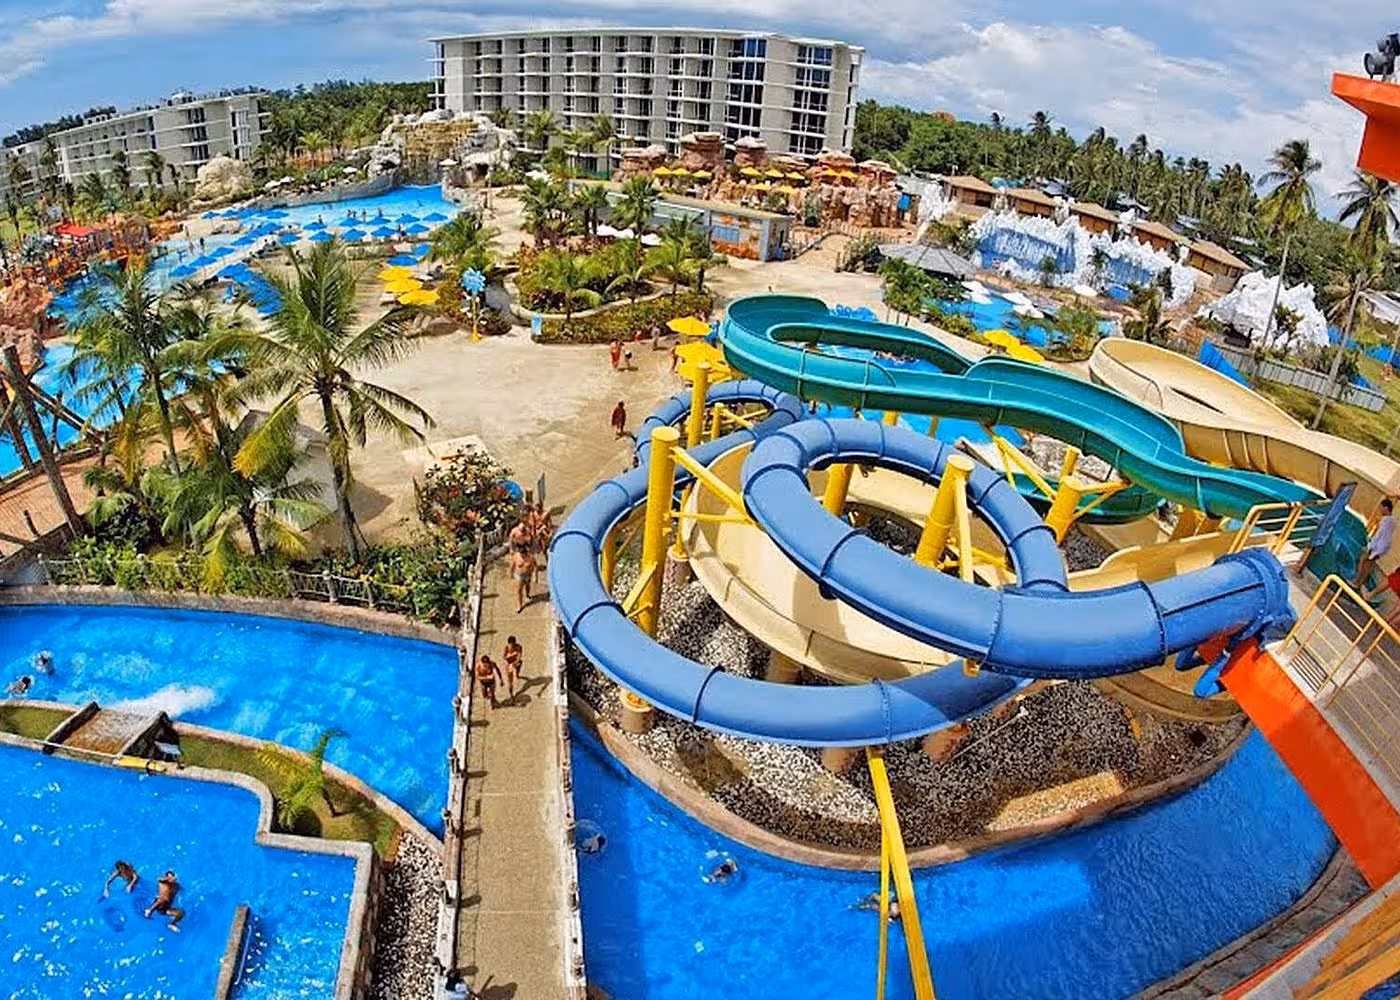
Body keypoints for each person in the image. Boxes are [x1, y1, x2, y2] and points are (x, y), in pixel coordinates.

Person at [1355, 498, 1396, 588]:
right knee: (1368, 564)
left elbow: (1379, 535)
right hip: (1383, 548)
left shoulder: (1386, 521)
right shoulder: (1392, 520)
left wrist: (1370, 546)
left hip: (1377, 547)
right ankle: (1359, 582)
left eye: (1381, 507)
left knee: (1364, 561)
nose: (1380, 510)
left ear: (1386, 508)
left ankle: (1357, 582)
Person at [510, 545, 537, 613]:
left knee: (527, 585)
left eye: (524, 554)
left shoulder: (531, 557)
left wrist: (535, 576)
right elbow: (512, 565)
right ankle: (520, 605)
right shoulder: (516, 556)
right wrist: (511, 574)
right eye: (521, 554)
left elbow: (536, 566)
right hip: (519, 575)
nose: (523, 555)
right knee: (519, 590)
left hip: (528, 574)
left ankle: (527, 595)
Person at [503, 635, 523, 702]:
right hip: (509, 664)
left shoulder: (519, 647)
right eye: (511, 644)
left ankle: (517, 674)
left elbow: (520, 656)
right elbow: (504, 657)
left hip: (516, 662)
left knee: (519, 665)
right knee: (510, 682)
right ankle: (511, 695)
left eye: (513, 644)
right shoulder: (506, 648)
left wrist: (516, 662)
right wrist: (508, 657)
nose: (512, 645)